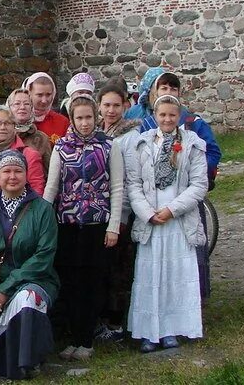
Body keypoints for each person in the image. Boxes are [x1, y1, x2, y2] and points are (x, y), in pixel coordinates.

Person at [0, 150, 60, 380]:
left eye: (18, 171)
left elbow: (43, 256)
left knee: (27, 301)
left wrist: (7, 290)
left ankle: (25, 362)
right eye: (6, 171)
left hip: (33, 281)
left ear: (26, 175)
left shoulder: (43, 210)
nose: (12, 176)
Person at [43, 95, 124, 362]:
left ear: (96, 117)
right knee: (71, 283)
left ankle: (86, 340)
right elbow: (52, 188)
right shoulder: (61, 147)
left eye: (89, 117)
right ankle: (74, 338)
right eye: (79, 118)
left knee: (93, 282)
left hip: (97, 223)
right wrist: (43, 222)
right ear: (72, 119)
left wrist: (113, 227)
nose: (85, 122)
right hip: (67, 224)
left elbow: (117, 188)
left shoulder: (108, 146)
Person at [129, 68, 221, 298]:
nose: (168, 92)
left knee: (191, 252)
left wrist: (189, 172)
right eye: (163, 88)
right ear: (152, 91)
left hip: (183, 197)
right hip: (151, 202)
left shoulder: (190, 121)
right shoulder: (139, 121)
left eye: (173, 88)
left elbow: (210, 151)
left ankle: (195, 299)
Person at [126, 95, 208, 353]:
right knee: (151, 277)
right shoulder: (143, 144)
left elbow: (199, 185)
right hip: (151, 221)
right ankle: (149, 332)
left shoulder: (193, 145)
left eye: (172, 115)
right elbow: (134, 184)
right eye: (162, 115)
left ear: (179, 115)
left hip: (178, 221)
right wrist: (148, 213)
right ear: (155, 116)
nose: (167, 119)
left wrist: (172, 210)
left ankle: (172, 329)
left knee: (175, 277)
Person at [94, 79, 142, 343]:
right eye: (106, 105)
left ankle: (115, 322)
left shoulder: (130, 137)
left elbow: (130, 179)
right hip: (97, 211)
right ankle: (100, 318)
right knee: (101, 267)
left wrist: (121, 216)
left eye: (116, 105)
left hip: (119, 212)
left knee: (117, 269)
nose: (111, 110)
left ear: (125, 106)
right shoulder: (97, 131)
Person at [0, 105, 46, 196]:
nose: (3, 127)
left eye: (7, 123)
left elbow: (37, 190)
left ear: (14, 127)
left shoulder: (29, 155)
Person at [23, 72, 70, 147]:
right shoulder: (17, 120)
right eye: (39, 95)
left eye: (48, 95)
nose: (44, 100)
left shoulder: (63, 122)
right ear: (29, 93)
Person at [6, 88, 51, 163]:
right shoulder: (1, 133)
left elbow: (48, 169)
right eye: (17, 103)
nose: (22, 107)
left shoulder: (41, 138)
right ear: (9, 107)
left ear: (31, 108)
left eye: (26, 104)